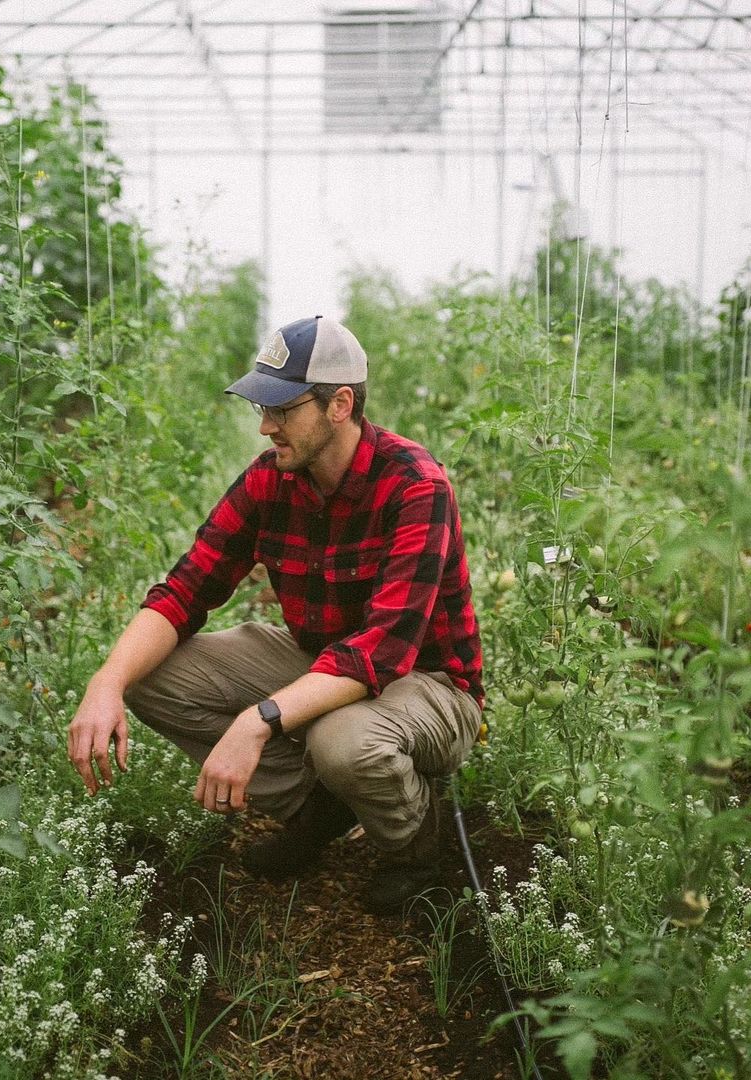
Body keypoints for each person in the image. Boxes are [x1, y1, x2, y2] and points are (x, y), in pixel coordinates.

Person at [67, 315, 485, 914]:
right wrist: (105, 681)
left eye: (282, 410)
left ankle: (416, 849)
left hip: (428, 683)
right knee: (149, 675)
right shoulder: (272, 481)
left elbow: (382, 651)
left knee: (344, 741)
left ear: (339, 405)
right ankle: (320, 809)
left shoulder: (416, 485)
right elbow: (186, 589)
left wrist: (257, 721)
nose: (265, 427)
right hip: (322, 662)